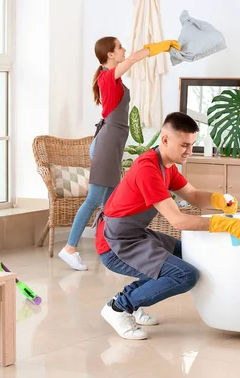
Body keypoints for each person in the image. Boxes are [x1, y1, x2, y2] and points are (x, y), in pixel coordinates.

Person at [96, 112, 240, 340]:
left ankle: (129, 302)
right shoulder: (148, 169)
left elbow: (192, 195)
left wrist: (218, 199)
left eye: (192, 145)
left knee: (190, 255)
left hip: (135, 235)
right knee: (185, 275)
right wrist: (224, 225)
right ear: (165, 140)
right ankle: (119, 308)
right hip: (114, 244)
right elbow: (179, 221)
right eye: (184, 145)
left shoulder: (167, 166)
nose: (189, 152)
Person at [58, 36, 181, 271]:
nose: (124, 50)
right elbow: (134, 59)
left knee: (111, 203)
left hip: (112, 144)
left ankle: (109, 245)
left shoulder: (113, 78)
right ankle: (70, 248)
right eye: (120, 47)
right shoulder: (107, 75)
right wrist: (160, 47)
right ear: (110, 55)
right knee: (94, 199)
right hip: (107, 145)